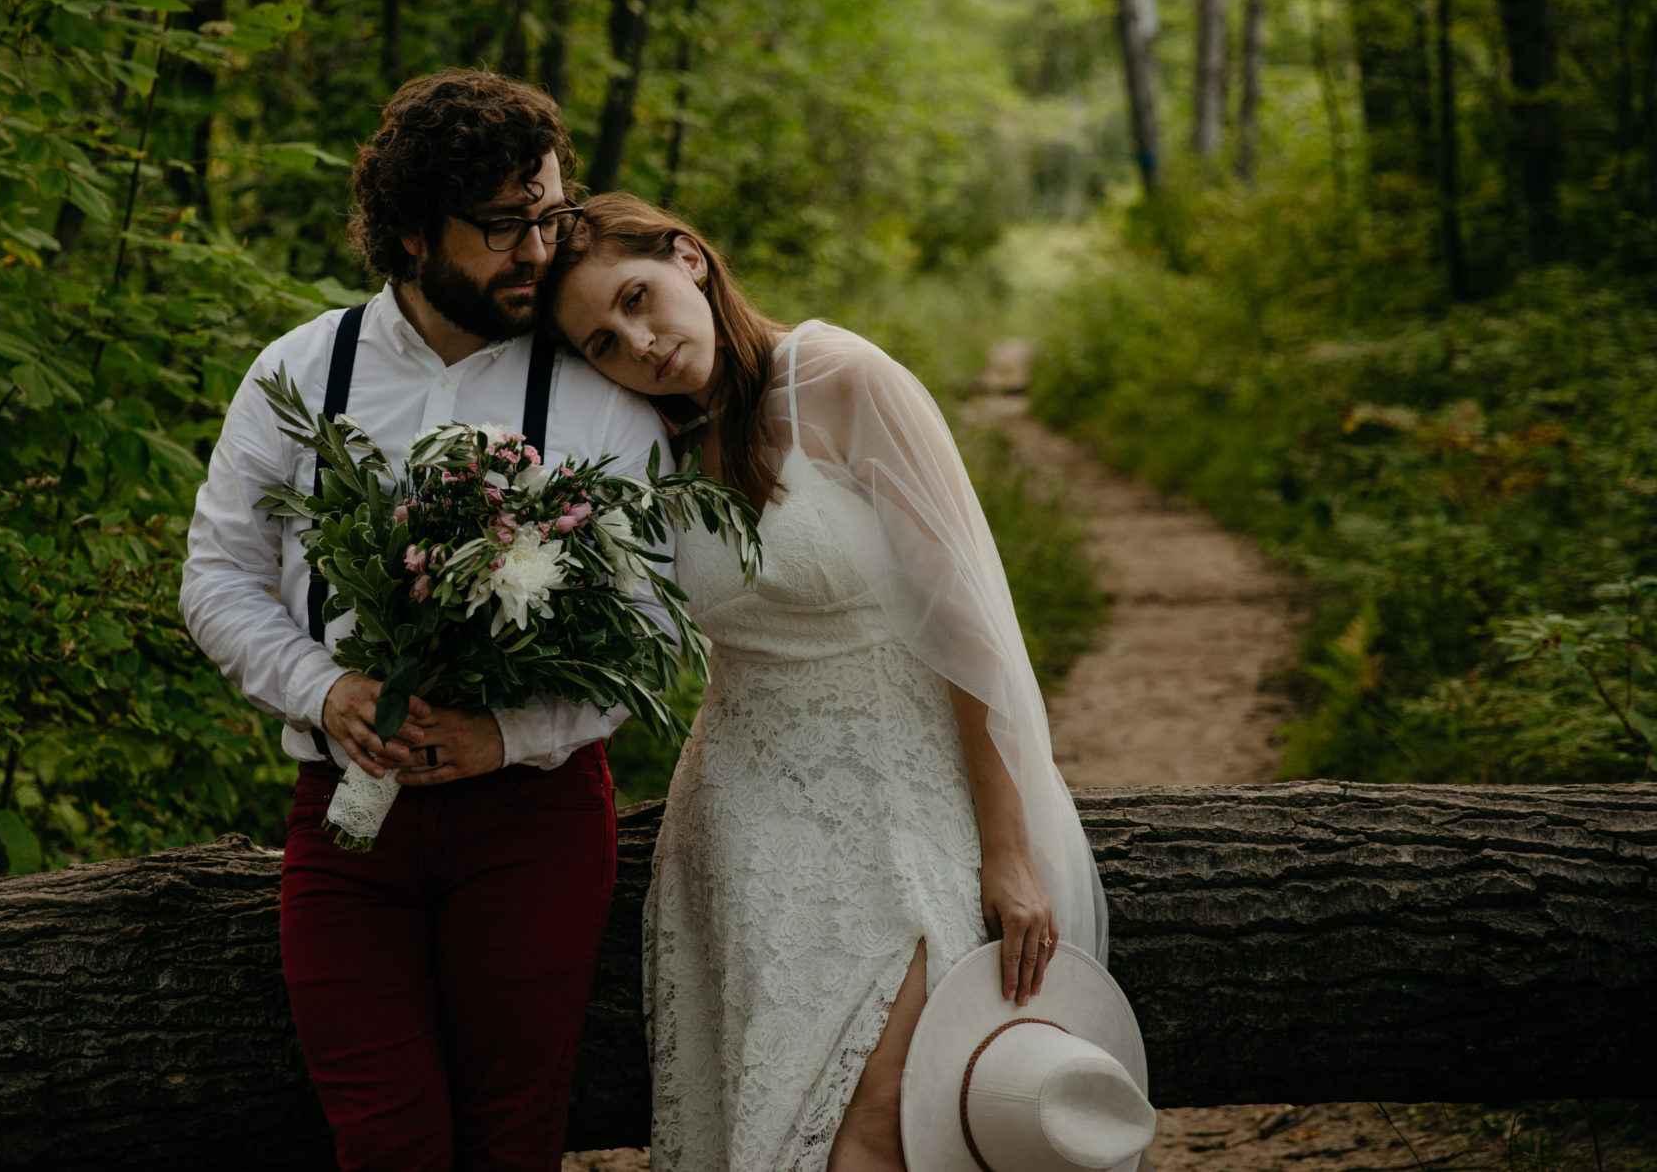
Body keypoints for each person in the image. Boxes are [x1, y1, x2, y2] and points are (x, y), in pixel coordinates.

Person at [536, 193, 1110, 1172]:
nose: (637, 342)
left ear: (691, 259)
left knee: (876, 1130)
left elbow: (965, 627)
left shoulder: (842, 378)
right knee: (776, 1131)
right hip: (743, 824)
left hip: (898, 799)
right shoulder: (647, 445)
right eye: (601, 341)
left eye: (638, 298)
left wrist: (1006, 849)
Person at [180, 74, 673, 1171]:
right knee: (383, 1141)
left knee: (514, 1138)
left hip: (534, 824)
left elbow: (651, 622)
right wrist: (325, 690)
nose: (539, 252)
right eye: (503, 228)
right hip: (346, 826)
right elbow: (215, 579)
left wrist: (508, 735)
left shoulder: (603, 390)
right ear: (408, 235)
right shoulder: (301, 374)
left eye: (547, 214)